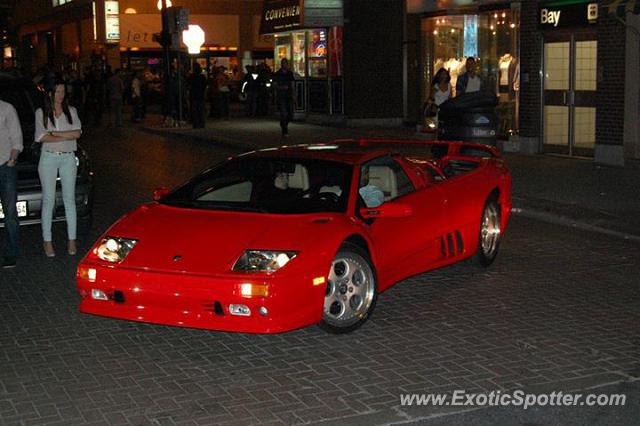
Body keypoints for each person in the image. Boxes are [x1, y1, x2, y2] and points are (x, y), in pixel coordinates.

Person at [35, 81, 82, 257]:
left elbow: (78, 133)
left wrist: (54, 134)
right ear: (50, 94)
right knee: (49, 199)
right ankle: (47, 241)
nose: (60, 95)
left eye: (63, 91)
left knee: (69, 199)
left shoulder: (72, 111)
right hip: (48, 158)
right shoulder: (41, 113)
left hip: (68, 158)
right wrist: (65, 136)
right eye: (57, 91)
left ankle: (72, 239)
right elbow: (41, 137)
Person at [0, 99, 23, 268]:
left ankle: (11, 253)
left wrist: (12, 160)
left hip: (5, 167)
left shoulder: (7, 109)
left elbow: (17, 139)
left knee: (9, 212)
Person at [274, 58, 294, 137]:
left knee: (289, 113)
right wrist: (281, 87)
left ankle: (283, 124)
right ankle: (285, 131)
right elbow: (275, 85)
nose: (285, 65)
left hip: (288, 95)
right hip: (281, 95)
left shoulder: (289, 73)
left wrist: (293, 94)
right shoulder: (278, 74)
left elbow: (292, 84)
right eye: (283, 63)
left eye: (286, 63)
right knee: (283, 113)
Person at [188, 63, 207, 128]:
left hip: (194, 95)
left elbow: (189, 84)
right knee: (201, 110)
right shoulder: (202, 77)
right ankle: (201, 123)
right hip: (200, 95)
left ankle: (196, 123)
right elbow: (205, 86)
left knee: (195, 110)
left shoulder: (192, 76)